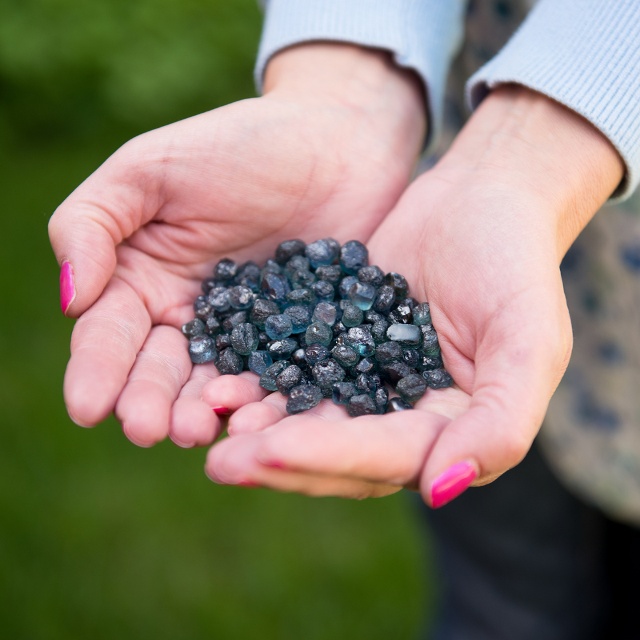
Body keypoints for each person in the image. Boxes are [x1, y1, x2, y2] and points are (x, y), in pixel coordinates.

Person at [49, 0, 640, 637]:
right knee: (500, 594)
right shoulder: (377, 298)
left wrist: (551, 134)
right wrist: (348, 74)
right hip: (450, 205)